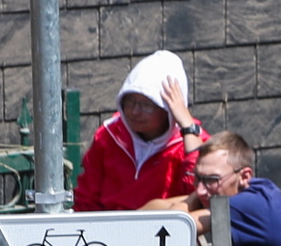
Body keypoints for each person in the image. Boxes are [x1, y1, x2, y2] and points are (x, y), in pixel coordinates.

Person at [72, 50, 207, 212]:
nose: (135, 112)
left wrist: (187, 125)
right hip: (110, 229)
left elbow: (199, 194)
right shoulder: (108, 135)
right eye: (130, 102)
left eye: (147, 105)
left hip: (164, 230)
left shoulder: (193, 141)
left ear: (170, 109)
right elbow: (87, 197)